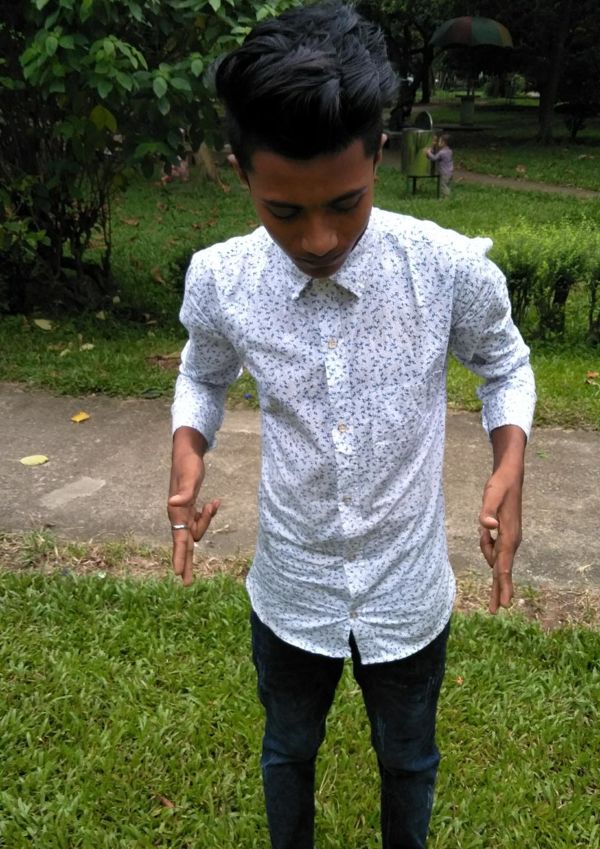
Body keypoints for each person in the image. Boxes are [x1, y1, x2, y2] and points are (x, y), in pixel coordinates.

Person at [167, 3, 536, 848]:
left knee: (409, 760)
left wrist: (509, 460)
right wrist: (188, 447)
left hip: (408, 590)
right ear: (241, 173)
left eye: (346, 202)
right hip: (289, 587)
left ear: (378, 152)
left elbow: (504, 363)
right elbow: (202, 371)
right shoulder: (222, 280)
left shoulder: (443, 269)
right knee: (287, 749)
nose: (319, 236)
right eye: (283, 211)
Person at [426, 133, 454, 198]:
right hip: (450, 172)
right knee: (447, 185)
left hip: (444, 173)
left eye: (439, 141)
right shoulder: (450, 151)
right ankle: (447, 196)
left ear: (444, 143)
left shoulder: (442, 152)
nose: (438, 142)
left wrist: (428, 152)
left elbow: (434, 158)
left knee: (443, 186)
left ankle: (446, 198)